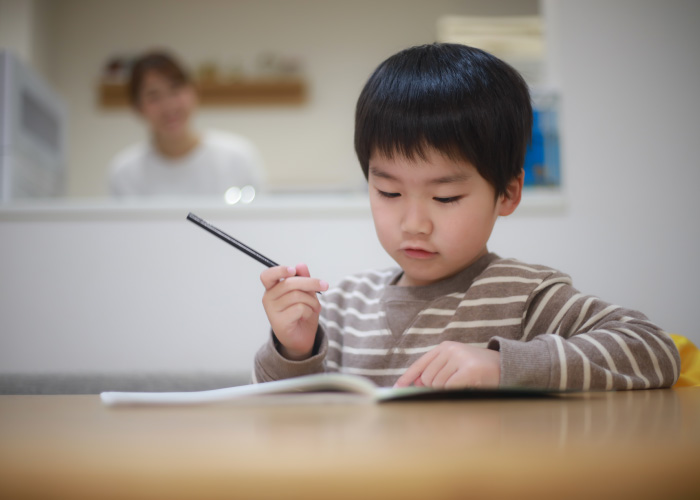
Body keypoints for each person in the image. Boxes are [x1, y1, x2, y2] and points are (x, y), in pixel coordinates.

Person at [253, 43, 680, 390]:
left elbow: (653, 349)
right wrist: (293, 351)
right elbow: (292, 423)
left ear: (508, 193)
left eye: (446, 196)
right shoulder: (344, 306)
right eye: (389, 192)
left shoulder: (525, 297)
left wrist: (504, 365)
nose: (414, 223)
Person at [108, 50, 264, 197]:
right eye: (153, 96)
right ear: (138, 107)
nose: (169, 106)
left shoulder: (237, 157)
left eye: (175, 90)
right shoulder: (125, 172)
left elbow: (258, 221)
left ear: (194, 92)